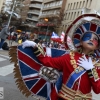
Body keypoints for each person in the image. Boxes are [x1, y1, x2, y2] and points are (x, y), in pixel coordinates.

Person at [21, 14, 100, 100]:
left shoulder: (97, 65)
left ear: (97, 46)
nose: (92, 40)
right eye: (88, 37)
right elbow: (47, 61)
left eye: (95, 39)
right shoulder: (69, 57)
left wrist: (91, 70)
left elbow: (97, 90)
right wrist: (35, 46)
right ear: (80, 42)